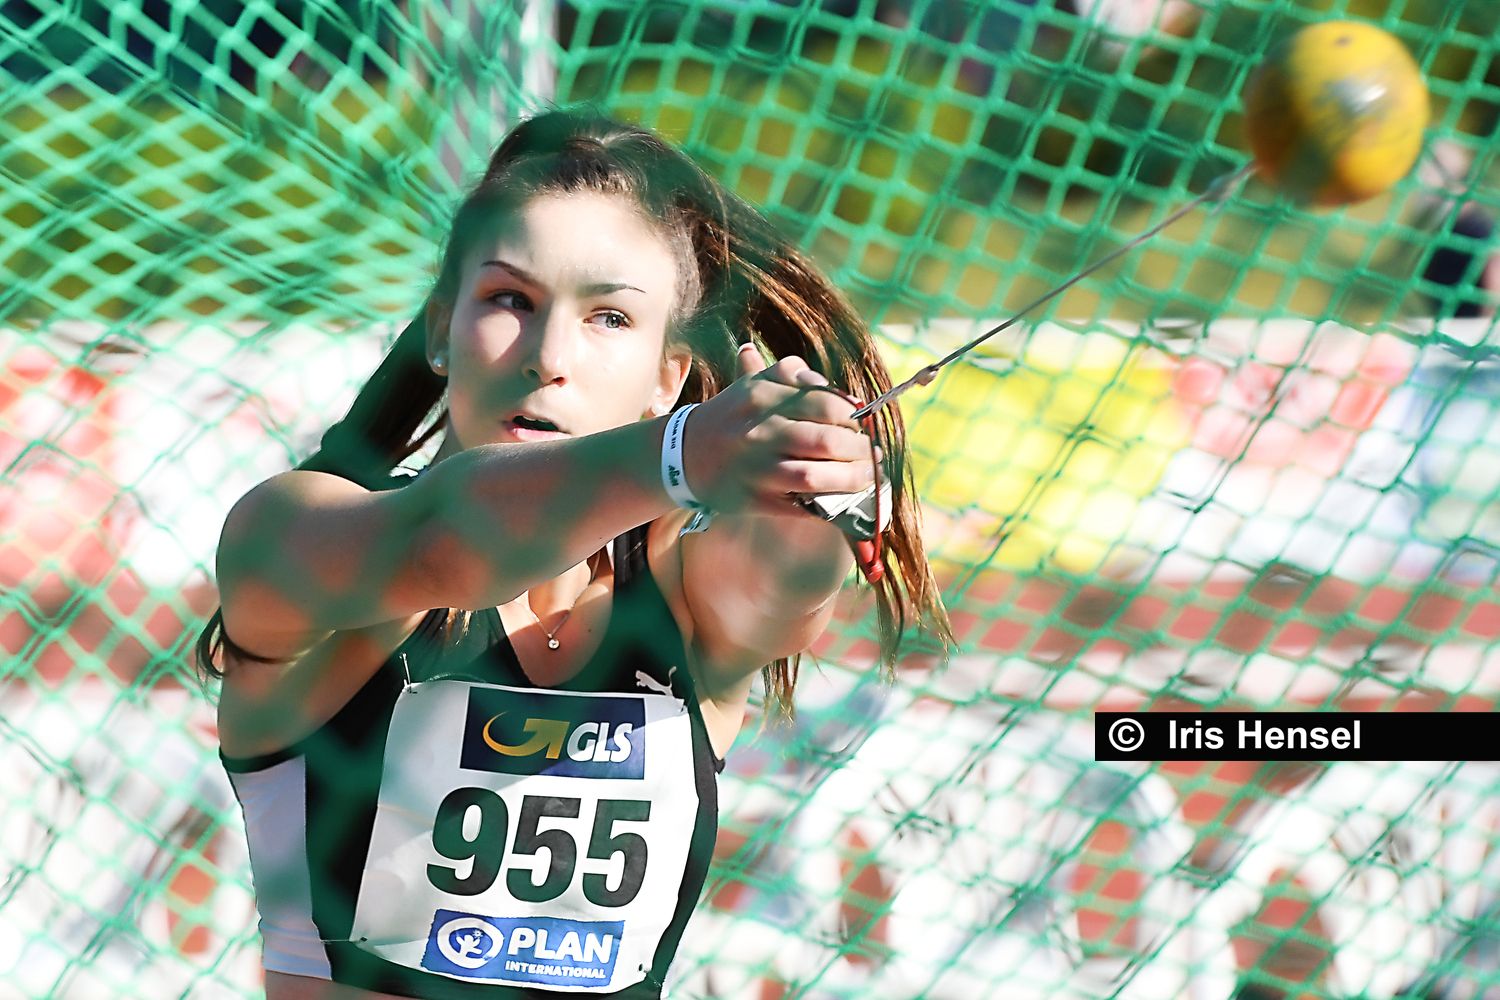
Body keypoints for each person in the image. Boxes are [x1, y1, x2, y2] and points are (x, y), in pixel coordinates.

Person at [195, 107, 951, 999]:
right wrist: (684, 453)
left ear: (668, 378)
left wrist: (809, 474)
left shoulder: (680, 592)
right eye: (510, 300)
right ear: (440, 328)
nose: (550, 355)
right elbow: (449, 540)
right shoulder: (292, 530)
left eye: (609, 317)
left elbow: (784, 578)